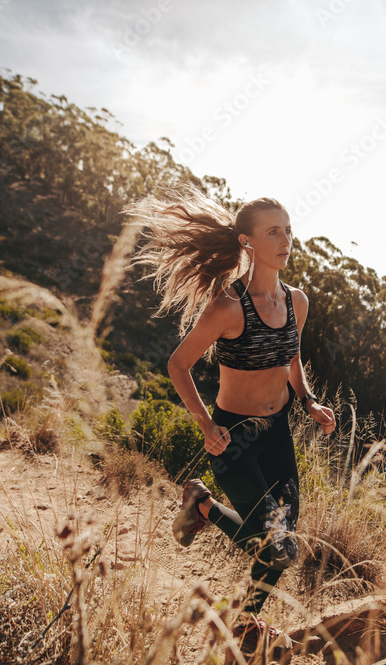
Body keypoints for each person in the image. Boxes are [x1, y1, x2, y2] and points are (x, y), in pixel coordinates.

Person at [124, 186, 336, 653]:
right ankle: (204, 513)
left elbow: (292, 356)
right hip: (234, 439)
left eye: (288, 230)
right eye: (274, 232)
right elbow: (177, 365)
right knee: (278, 547)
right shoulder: (227, 306)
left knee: (282, 540)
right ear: (247, 242)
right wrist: (205, 425)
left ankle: (243, 623)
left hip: (277, 433)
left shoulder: (296, 301)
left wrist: (309, 402)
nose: (285, 240)